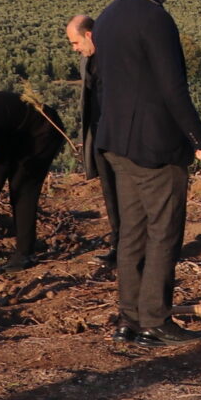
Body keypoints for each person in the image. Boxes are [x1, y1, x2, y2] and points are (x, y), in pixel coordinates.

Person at [93, 0, 201, 345]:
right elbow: (172, 87)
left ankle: (128, 319)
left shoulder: (108, 16)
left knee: (131, 232)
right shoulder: (157, 20)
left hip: (115, 142)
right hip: (155, 146)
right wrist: (198, 138)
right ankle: (155, 321)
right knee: (163, 231)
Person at [0, 90, 67, 269]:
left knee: (22, 188)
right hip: (17, 132)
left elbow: (2, 165)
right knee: (18, 184)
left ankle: (25, 254)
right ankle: (29, 242)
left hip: (43, 130)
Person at [69, 14, 121, 267]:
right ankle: (118, 246)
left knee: (126, 195)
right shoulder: (87, 60)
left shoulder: (115, 56)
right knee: (111, 194)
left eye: (76, 42)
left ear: (89, 34)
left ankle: (132, 248)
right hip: (100, 135)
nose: (75, 48)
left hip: (121, 137)